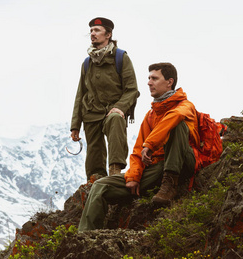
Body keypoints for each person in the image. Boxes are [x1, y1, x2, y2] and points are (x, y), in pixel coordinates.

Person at [78, 62, 200, 232]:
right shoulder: (151, 115)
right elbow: (137, 151)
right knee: (100, 185)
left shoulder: (185, 106)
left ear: (169, 82)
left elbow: (175, 117)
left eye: (154, 78)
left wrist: (150, 145)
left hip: (182, 162)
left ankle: (170, 184)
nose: (149, 82)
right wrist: (134, 176)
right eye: (149, 78)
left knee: (177, 125)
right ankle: (86, 236)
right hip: (155, 169)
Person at [70, 17, 139, 181]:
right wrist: (75, 126)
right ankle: (95, 180)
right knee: (94, 149)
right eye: (91, 31)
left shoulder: (121, 57)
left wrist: (120, 107)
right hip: (91, 112)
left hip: (113, 109)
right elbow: (80, 94)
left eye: (97, 31)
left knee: (115, 120)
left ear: (108, 34)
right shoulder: (87, 63)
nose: (92, 34)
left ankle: (115, 171)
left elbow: (132, 89)